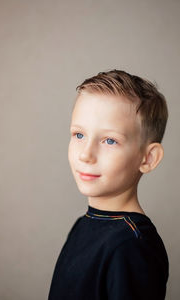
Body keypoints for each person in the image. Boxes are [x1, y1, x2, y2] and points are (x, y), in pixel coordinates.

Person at [48, 69, 169, 299]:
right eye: (79, 135)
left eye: (110, 140)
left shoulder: (131, 247)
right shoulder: (82, 225)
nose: (86, 154)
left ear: (148, 158)